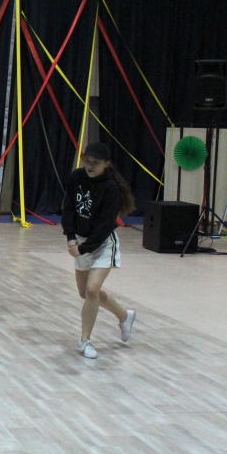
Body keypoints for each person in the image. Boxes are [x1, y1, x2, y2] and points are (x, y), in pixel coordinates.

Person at [62, 142, 137, 359]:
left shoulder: (110, 187)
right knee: (84, 293)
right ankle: (124, 316)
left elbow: (104, 227)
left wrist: (84, 248)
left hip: (102, 244)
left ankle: (85, 340)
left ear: (106, 164)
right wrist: (70, 237)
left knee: (92, 290)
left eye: (96, 163)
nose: (90, 166)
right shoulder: (76, 177)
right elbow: (68, 207)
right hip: (81, 241)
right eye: (87, 161)